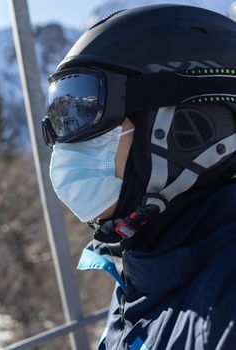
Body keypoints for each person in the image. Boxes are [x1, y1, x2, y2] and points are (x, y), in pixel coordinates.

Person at [43, 5, 236, 349]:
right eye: (59, 117)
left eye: (85, 113)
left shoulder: (223, 309)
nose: (64, 142)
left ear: (190, 130)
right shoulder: (138, 271)